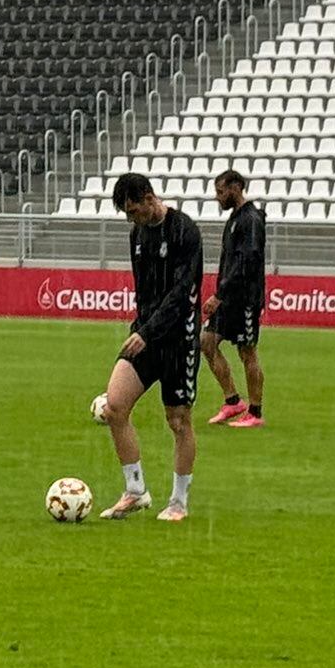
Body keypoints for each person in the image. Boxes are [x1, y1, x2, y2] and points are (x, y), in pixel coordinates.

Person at [98, 172, 204, 523]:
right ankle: (135, 491)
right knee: (115, 406)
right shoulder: (138, 234)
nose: (132, 219)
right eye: (127, 214)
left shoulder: (184, 231)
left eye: (134, 211)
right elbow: (144, 290)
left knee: (177, 420)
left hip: (178, 338)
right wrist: (140, 329)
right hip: (145, 334)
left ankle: (179, 501)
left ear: (149, 198)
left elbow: (181, 294)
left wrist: (150, 331)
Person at [201, 168, 267, 428]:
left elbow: (246, 263)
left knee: (247, 352)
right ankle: (232, 402)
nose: (218, 197)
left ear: (236, 188)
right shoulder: (236, 218)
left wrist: (219, 294)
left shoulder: (251, 219)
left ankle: (255, 412)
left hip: (244, 299)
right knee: (206, 342)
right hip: (229, 298)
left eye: (220, 191)